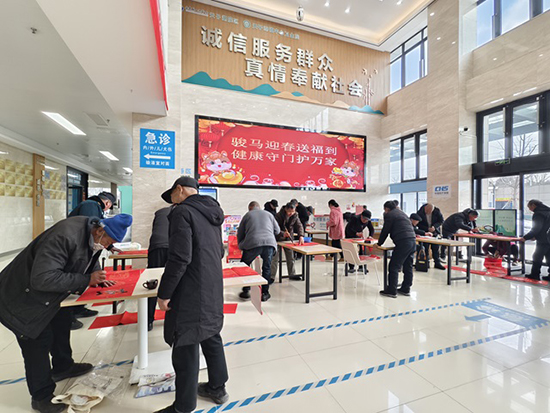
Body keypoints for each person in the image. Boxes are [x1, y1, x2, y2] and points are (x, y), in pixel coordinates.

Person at [0, 214, 132, 413]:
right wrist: (86, 279)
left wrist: (97, 276)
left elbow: (91, 254)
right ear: (100, 231)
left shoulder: (92, 232)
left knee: (61, 324)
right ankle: (41, 397)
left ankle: (63, 366)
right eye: (108, 242)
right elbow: (42, 278)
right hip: (21, 297)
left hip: (50, 296)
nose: (107, 246)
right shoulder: (64, 237)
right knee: (37, 342)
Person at [156, 177, 228, 413]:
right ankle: (217, 388)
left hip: (190, 289)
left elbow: (179, 258)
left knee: (185, 343)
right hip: (212, 285)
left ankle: (183, 407)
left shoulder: (182, 212)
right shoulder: (213, 212)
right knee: (211, 335)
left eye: (173, 198)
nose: (173, 203)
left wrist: (164, 293)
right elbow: (219, 251)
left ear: (179, 190)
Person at [67, 190, 119, 330]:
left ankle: (78, 308)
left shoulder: (92, 205)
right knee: (71, 278)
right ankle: (67, 316)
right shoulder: (91, 205)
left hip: (80, 247)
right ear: (107, 203)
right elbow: (92, 230)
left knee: (83, 274)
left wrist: (109, 246)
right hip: (75, 248)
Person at [237, 201, 280, 302]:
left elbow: (240, 233)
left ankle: (246, 290)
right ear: (259, 207)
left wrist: (241, 246)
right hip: (269, 244)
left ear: (250, 208)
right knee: (266, 268)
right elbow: (277, 231)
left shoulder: (247, 215)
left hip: (252, 243)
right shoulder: (269, 214)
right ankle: (265, 293)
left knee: (244, 265)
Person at [376, 201, 416, 298]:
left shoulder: (390, 215)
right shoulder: (402, 213)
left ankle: (392, 290)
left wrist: (379, 243)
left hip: (403, 242)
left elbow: (385, 230)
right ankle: (406, 288)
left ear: (386, 208)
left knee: (394, 266)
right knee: (408, 266)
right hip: (412, 240)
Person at [146, 206, 172, 331]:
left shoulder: (160, 212)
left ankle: (147, 320)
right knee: (174, 281)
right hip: (173, 246)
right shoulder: (183, 211)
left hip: (156, 246)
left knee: (152, 283)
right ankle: (172, 317)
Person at [271, 203, 305, 281]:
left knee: (290, 257)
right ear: (286, 209)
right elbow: (275, 228)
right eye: (289, 212)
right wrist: (283, 233)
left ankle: (292, 274)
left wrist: (301, 236)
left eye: (293, 211)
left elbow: (299, 225)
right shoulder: (279, 215)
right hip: (278, 238)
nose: (291, 213)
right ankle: (272, 276)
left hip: (288, 238)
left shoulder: (295, 215)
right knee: (275, 258)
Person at [521, 199, 550, 280]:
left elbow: (537, 228)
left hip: (543, 240)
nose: (529, 209)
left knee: (537, 256)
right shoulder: (548, 211)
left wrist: (525, 237)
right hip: (548, 237)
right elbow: (545, 227)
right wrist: (536, 237)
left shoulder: (538, 213)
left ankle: (535, 274)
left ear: (533, 205)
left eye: (529, 207)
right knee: (549, 257)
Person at [416, 203, 446, 270]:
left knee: (435, 248)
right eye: (427, 211)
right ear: (425, 208)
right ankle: (426, 263)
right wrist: (427, 229)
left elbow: (441, 221)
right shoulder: (420, 212)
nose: (428, 213)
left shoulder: (437, 211)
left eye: (430, 212)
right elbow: (418, 223)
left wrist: (434, 227)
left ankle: (437, 263)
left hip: (434, 232)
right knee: (425, 248)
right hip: (424, 232)